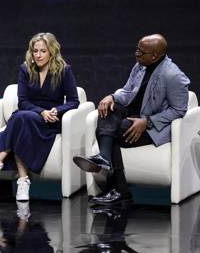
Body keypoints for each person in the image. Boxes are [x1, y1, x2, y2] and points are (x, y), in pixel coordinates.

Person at [73, 34, 190, 205]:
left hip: (154, 125)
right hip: (133, 114)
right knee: (106, 112)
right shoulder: (140, 66)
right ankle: (105, 160)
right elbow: (128, 91)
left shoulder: (173, 75)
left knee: (112, 132)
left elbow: (179, 110)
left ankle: (119, 188)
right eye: (137, 49)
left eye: (141, 52)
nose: (136, 54)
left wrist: (147, 121)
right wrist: (112, 97)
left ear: (155, 55)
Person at [0, 32, 79, 201]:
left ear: (52, 52)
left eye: (43, 51)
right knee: (22, 119)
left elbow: (74, 101)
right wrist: (41, 111)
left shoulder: (64, 70)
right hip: (31, 114)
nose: (38, 55)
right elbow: (23, 101)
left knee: (19, 120)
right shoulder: (25, 69)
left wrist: (56, 110)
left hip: (50, 121)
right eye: (35, 51)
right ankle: (23, 181)